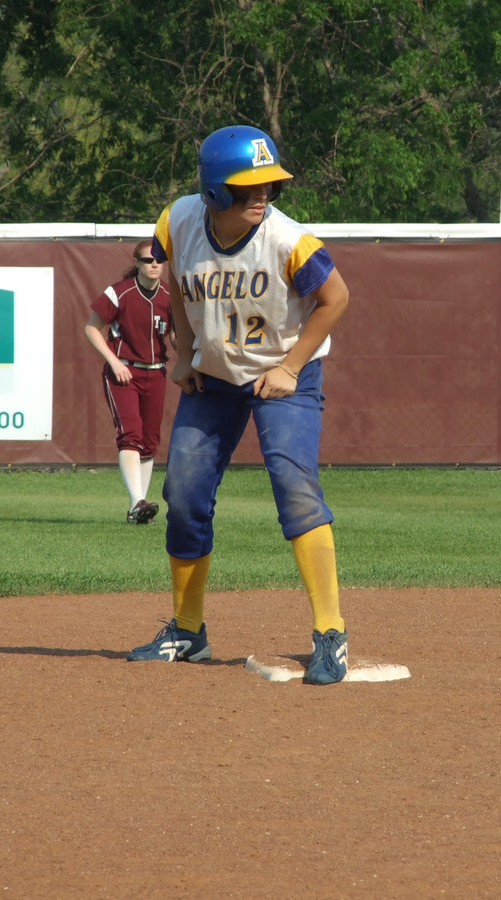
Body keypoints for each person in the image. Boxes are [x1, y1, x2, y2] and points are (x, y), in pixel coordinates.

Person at [127, 124, 351, 685]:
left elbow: (335, 297)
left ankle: (331, 633)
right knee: (183, 491)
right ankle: (187, 631)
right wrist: (182, 348)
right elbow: (176, 276)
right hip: (214, 375)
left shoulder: (288, 240)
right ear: (214, 192)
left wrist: (291, 367)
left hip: (284, 373)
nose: (263, 194)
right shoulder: (177, 220)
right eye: (249, 185)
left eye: (270, 184)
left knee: (293, 484)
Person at [84, 240, 174, 524]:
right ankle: (137, 501)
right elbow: (91, 328)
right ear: (136, 262)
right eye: (147, 260)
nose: (154, 264)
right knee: (130, 435)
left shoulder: (170, 296)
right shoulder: (119, 292)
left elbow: (174, 337)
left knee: (149, 442)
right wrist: (113, 361)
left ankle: (139, 509)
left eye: (159, 259)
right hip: (124, 371)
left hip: (156, 372)